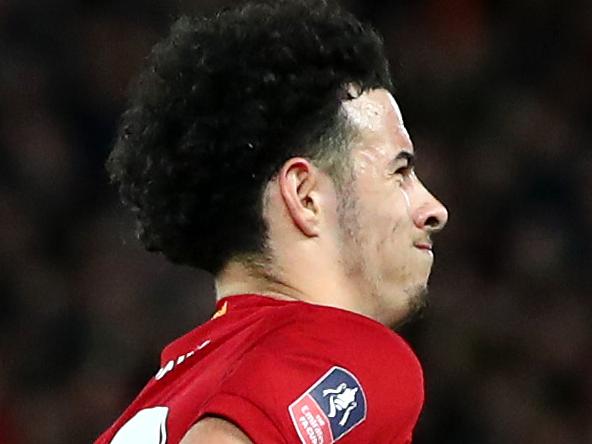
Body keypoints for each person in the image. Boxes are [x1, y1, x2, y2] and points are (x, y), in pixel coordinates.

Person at [95, 0, 448, 443]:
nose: (434, 209)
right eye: (400, 171)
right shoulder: (346, 356)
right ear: (305, 196)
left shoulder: (165, 395)